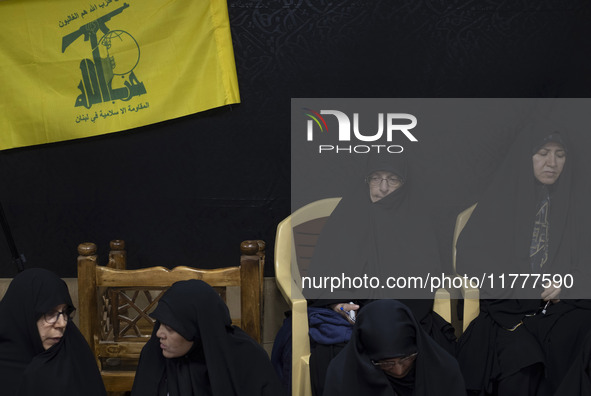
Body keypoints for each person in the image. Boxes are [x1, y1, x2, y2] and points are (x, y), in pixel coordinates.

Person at [305, 153, 456, 396]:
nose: (383, 187)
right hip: (352, 316)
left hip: (404, 313)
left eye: (392, 179)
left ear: (404, 184)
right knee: (333, 352)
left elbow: (426, 280)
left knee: (428, 349)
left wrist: (391, 318)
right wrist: (337, 304)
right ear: (367, 181)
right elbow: (323, 275)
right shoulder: (346, 216)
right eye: (376, 178)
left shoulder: (417, 221)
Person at [455, 126, 591, 395]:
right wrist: (525, 286)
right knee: (520, 360)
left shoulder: (577, 205)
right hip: (511, 307)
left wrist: (568, 283)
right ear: (525, 157)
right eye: (542, 153)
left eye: (560, 155)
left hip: (561, 307)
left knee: (578, 337)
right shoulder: (500, 201)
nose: (551, 163)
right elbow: (472, 259)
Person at [131, 279, 286, 396]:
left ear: (197, 330)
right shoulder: (154, 354)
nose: (159, 334)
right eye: (160, 324)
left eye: (170, 328)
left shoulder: (246, 358)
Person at [323, 299, 466, 396]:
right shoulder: (341, 378)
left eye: (406, 358)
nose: (399, 370)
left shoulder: (445, 372)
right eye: (386, 363)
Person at [0, 268, 106, 396]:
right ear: (23, 315)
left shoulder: (73, 353)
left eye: (65, 312)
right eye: (50, 313)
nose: (62, 323)